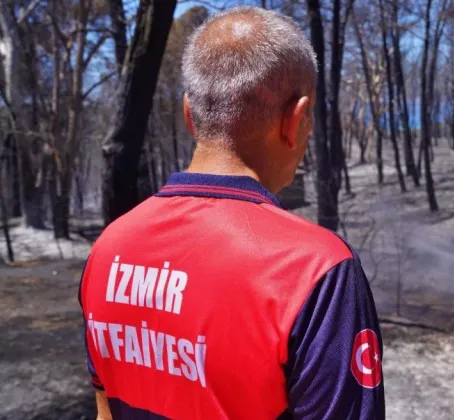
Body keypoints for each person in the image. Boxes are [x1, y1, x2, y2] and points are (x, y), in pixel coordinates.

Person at [78, 7, 384, 420]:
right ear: (296, 121)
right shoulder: (318, 270)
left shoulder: (108, 249)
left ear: (190, 115)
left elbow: (105, 411)